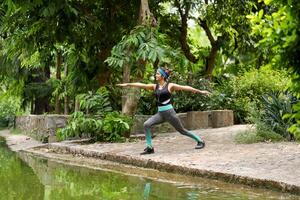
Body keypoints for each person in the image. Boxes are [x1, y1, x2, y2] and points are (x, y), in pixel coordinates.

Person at [117, 67, 211, 155]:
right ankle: (149, 147)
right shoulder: (155, 86)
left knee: (182, 130)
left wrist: (200, 91)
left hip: (170, 113)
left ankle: (200, 141)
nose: (155, 75)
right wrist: (128, 84)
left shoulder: (170, 86)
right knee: (146, 125)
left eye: (157, 74)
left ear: (162, 76)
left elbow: (186, 87)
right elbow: (142, 85)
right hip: (160, 114)